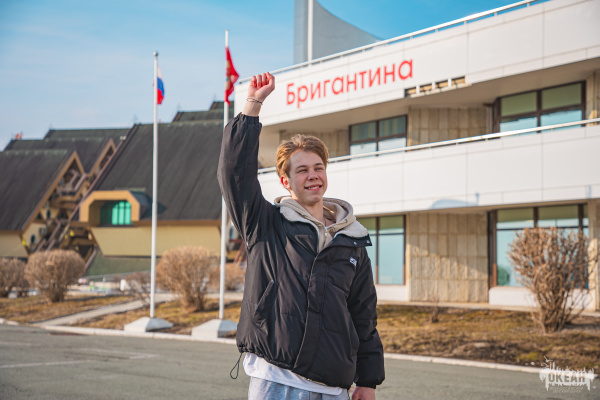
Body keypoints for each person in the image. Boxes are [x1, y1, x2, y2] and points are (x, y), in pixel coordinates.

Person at [218, 72, 385, 400]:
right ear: (286, 181)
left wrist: (368, 380)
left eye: (318, 167)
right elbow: (234, 174)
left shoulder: (352, 239)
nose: (313, 176)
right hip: (275, 381)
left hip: (333, 388)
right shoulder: (265, 224)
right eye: (302, 170)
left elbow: (363, 314)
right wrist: (252, 105)